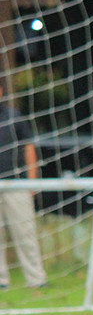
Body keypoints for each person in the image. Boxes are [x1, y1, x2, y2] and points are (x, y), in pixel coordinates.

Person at [0, 82, 47, 290]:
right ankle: (1, 281)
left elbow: (29, 147)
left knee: (26, 232)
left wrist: (32, 181)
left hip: (15, 182)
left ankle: (36, 279)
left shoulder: (14, 116)